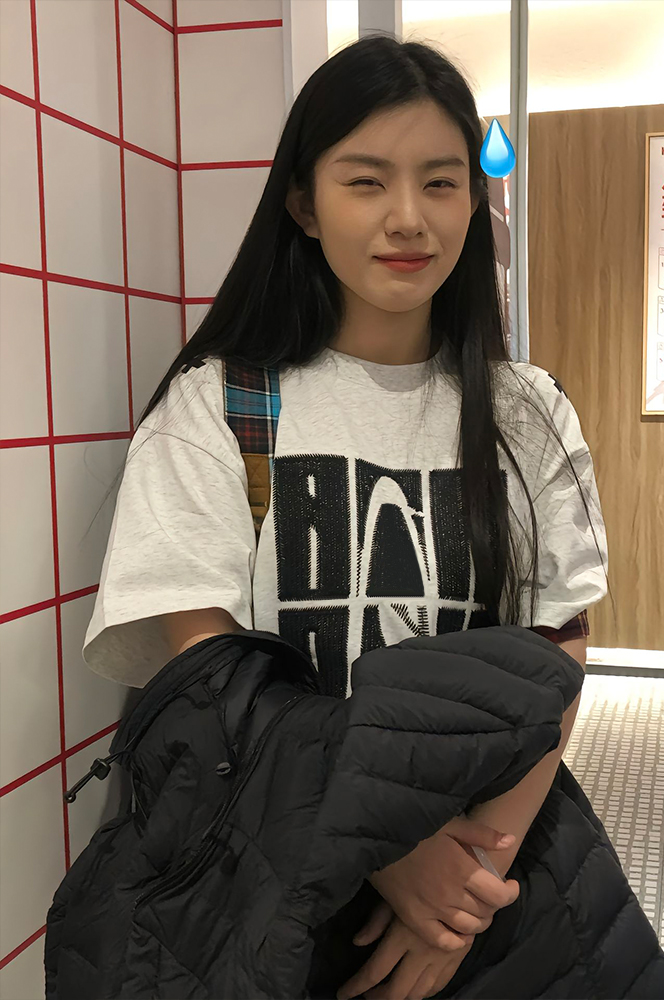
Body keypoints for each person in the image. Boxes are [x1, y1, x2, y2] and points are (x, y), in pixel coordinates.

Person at [81, 34, 608, 1000]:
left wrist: (468, 882)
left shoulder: (527, 412)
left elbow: (559, 646)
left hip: (479, 868)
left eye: (441, 182)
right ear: (303, 204)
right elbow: (204, 666)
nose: (409, 217)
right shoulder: (220, 406)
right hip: (260, 877)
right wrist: (387, 849)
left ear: (473, 201)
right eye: (366, 181)